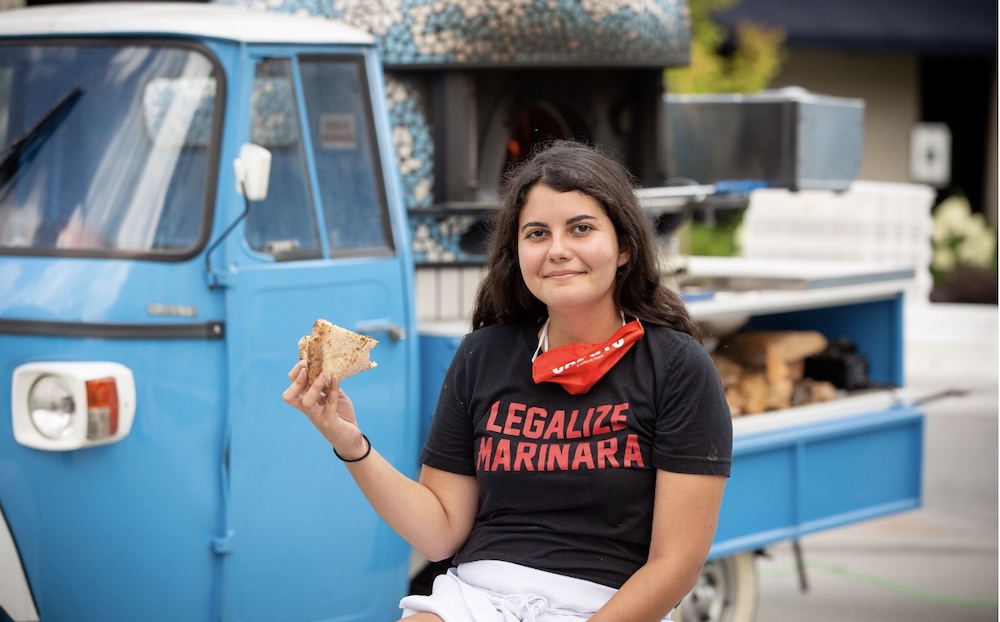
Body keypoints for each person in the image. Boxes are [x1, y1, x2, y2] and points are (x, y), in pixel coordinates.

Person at [283, 139, 733, 621]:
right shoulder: (483, 354)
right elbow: (440, 533)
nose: (558, 250)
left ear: (624, 246)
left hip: (602, 608)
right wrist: (350, 442)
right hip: (475, 598)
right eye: (537, 234)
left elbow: (677, 563)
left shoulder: (676, 366)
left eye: (581, 229)